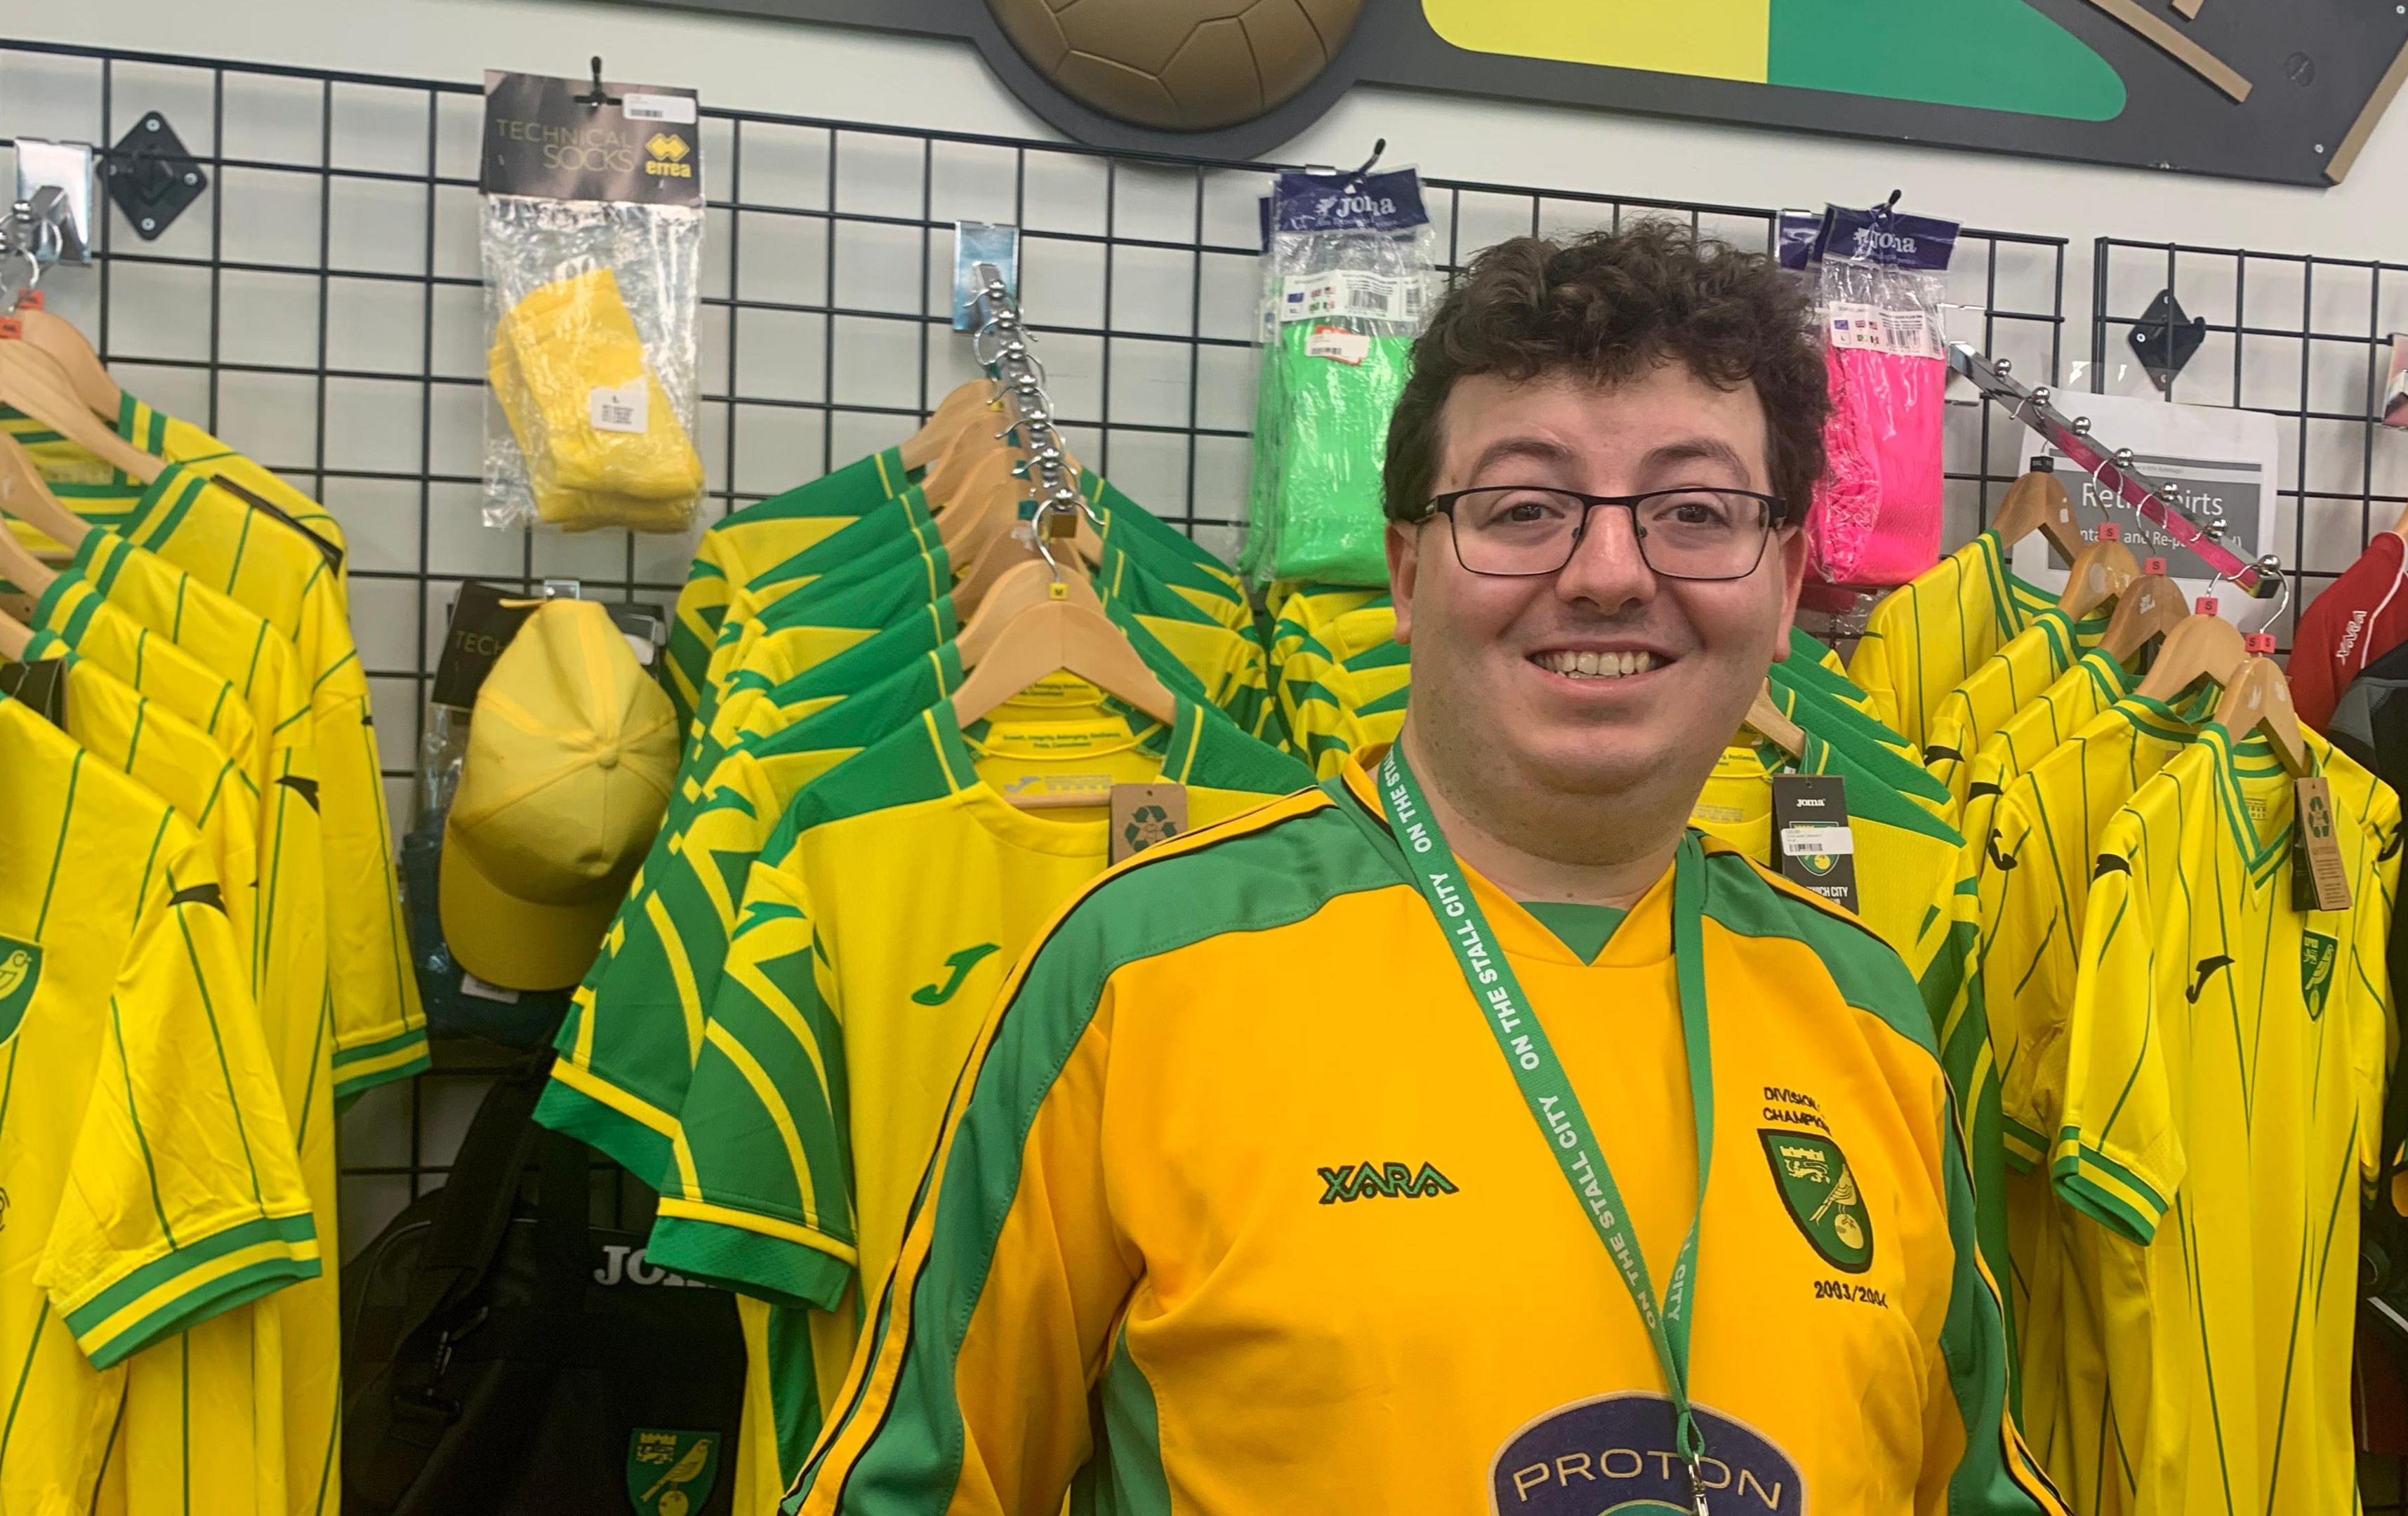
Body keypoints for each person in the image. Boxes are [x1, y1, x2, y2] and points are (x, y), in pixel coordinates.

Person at [784, 218, 2063, 1515]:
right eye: (1524, 508)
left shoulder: (1870, 1011)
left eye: (1694, 511)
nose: (1610, 573)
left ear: (1786, 582)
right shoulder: (1142, 973)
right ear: (1407, 571)